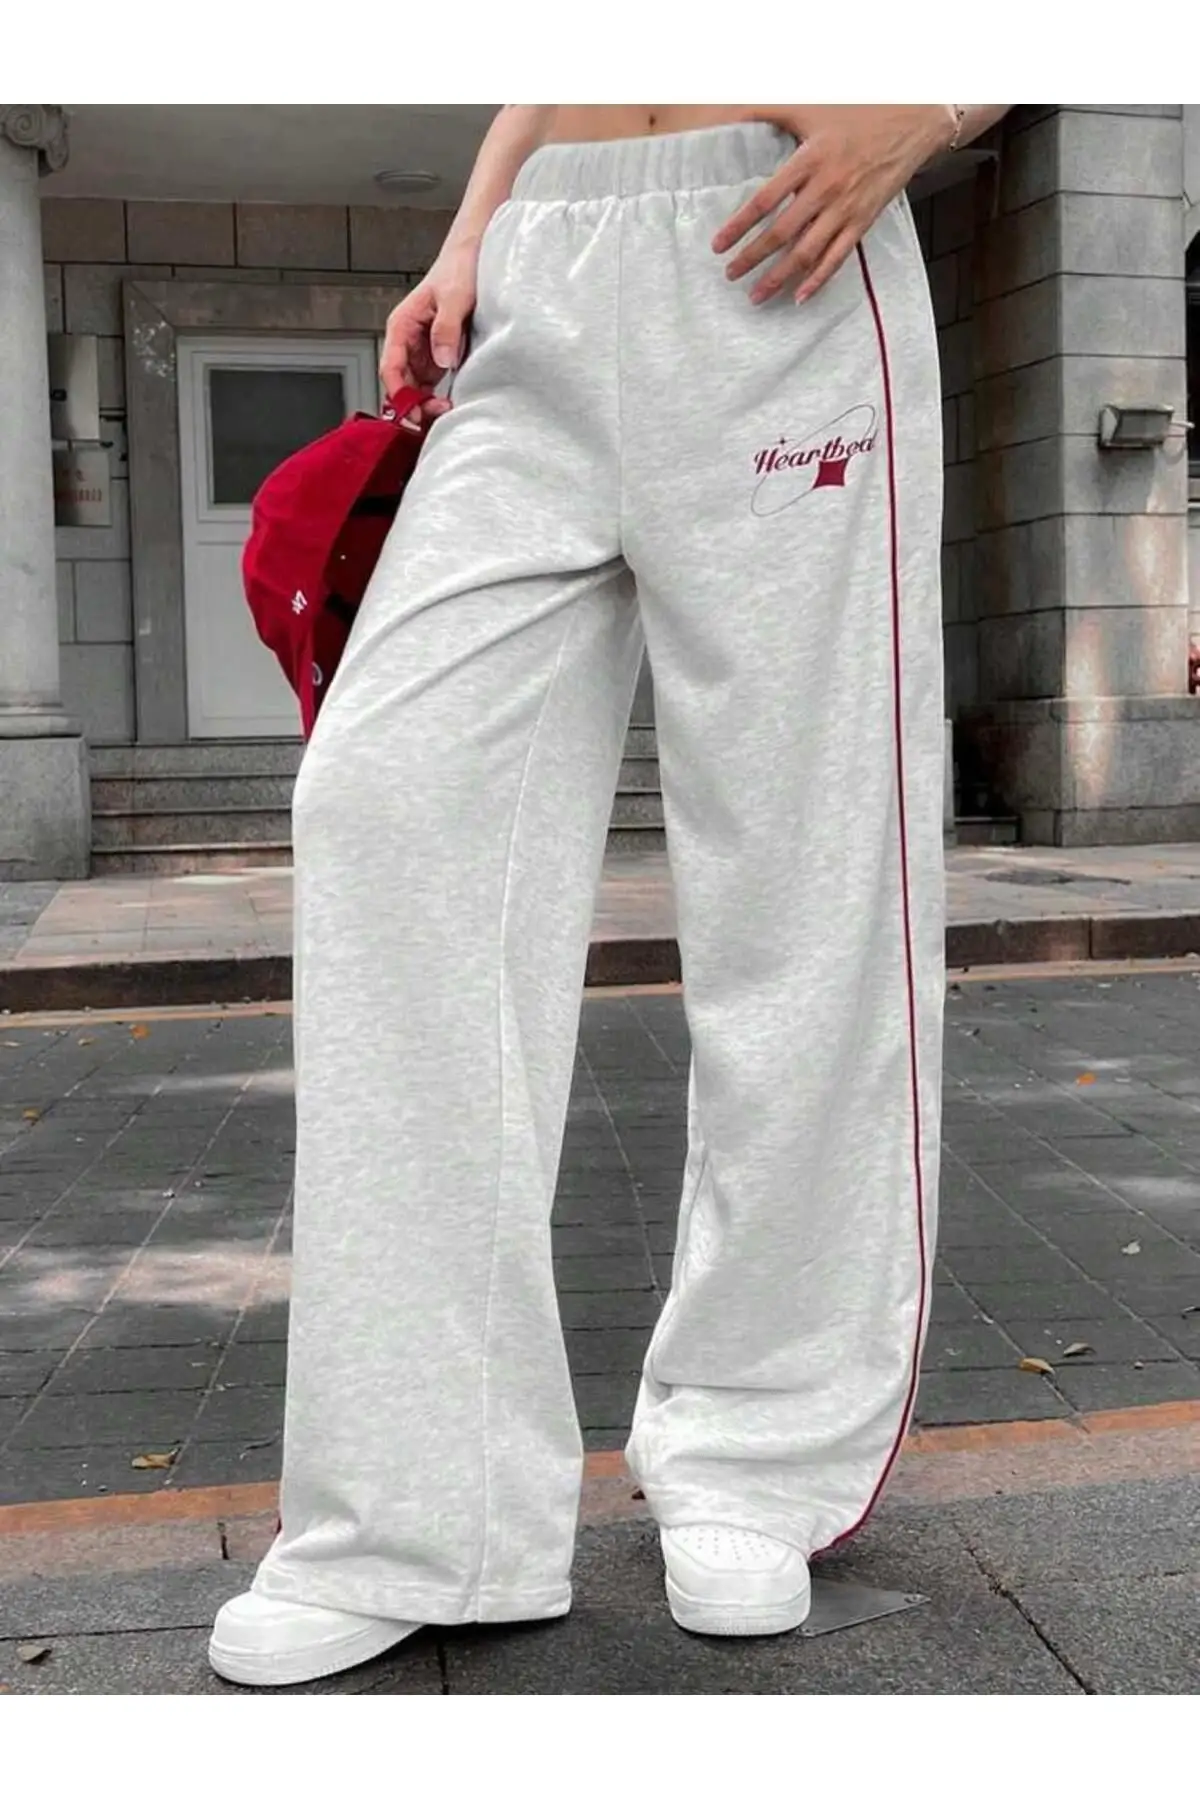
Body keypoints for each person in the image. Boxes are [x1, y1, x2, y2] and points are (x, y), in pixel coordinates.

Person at [208, 103, 1011, 1687]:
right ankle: (419, 1511)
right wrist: (473, 228)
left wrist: (924, 112)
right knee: (383, 801)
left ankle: (760, 1447)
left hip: (785, 236)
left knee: (803, 877)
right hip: (547, 264)